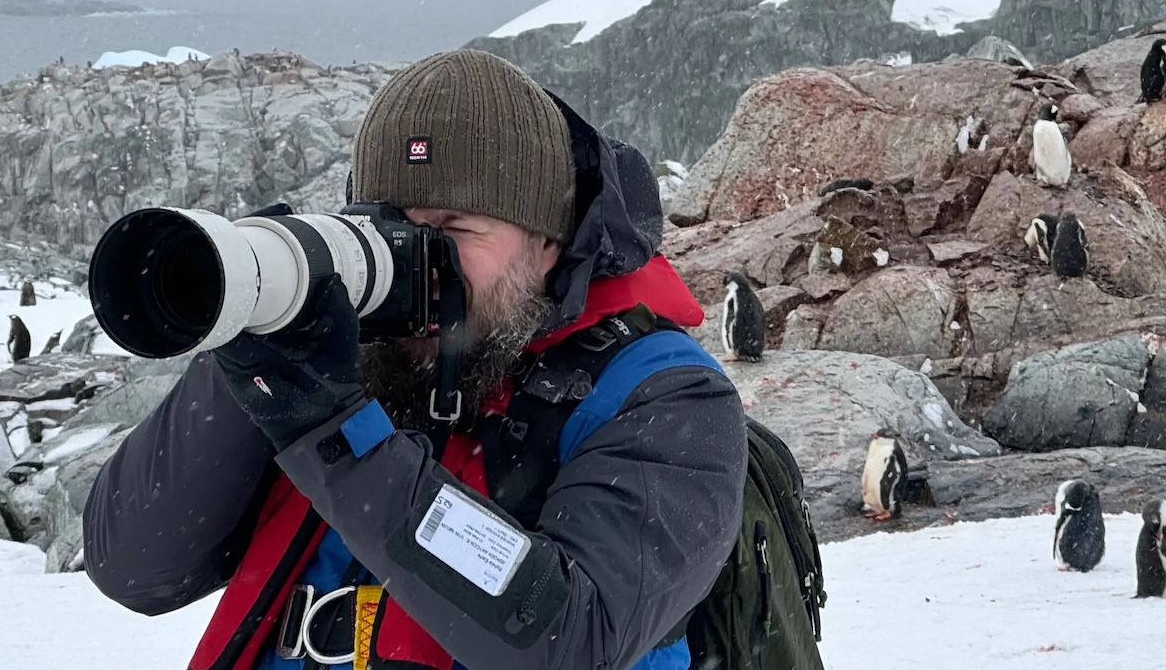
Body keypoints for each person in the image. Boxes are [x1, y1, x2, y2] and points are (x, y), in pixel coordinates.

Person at [82, 48, 749, 670]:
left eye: (455, 229)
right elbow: (133, 566)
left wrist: (333, 432)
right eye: (393, 227)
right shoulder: (366, 356)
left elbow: (570, 637)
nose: (418, 260)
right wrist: (254, 333)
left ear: (549, 242)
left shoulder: (666, 400)